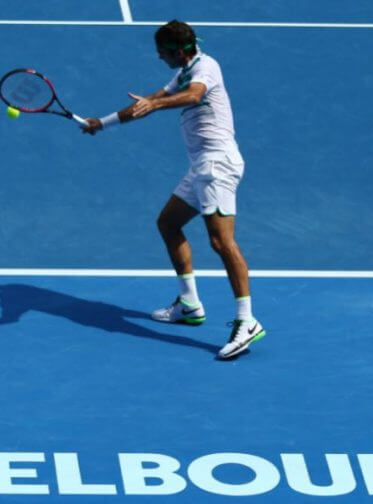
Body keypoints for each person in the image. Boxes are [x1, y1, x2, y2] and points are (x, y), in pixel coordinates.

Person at [82, 20, 265, 360]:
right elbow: (148, 102)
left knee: (221, 241)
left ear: (179, 51)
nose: (159, 58)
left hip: (217, 165)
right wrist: (101, 123)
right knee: (168, 223)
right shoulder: (186, 71)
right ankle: (190, 304)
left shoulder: (205, 69)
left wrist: (156, 105)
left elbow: (194, 96)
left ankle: (246, 321)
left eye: (163, 53)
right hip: (201, 167)